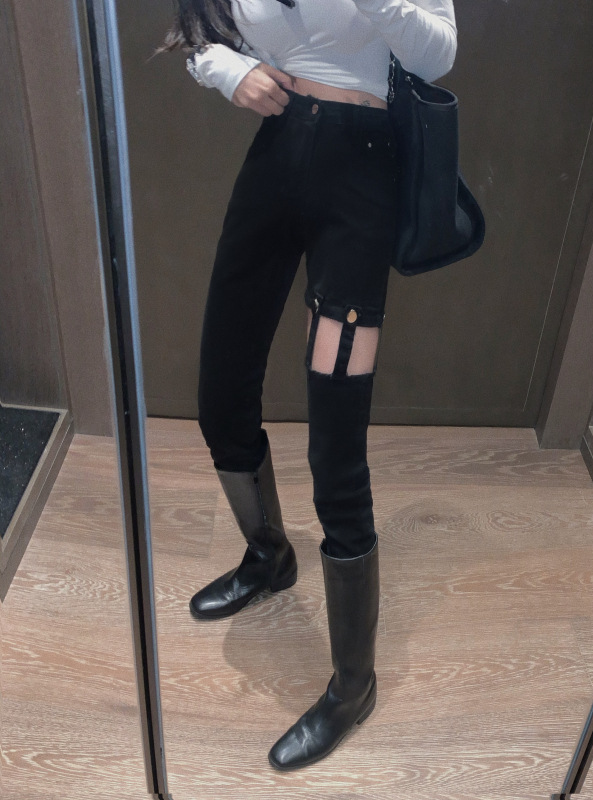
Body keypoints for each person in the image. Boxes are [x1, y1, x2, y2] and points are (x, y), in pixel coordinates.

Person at [161, 0, 457, 771]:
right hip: (275, 162)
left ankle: (354, 685)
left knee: (336, 433)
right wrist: (229, 71)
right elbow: (201, 33)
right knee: (220, 391)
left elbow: (438, 53)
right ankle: (268, 556)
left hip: (361, 181)